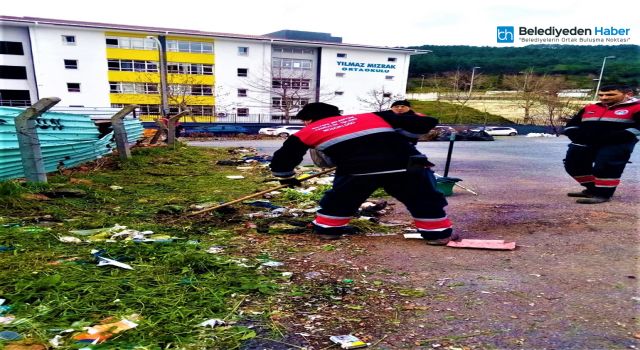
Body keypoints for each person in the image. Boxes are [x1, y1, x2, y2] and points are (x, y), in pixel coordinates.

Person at [269, 102, 453, 244]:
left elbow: (283, 159)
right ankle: (437, 235)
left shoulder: (307, 132)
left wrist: (287, 178)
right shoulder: (371, 116)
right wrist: (405, 139)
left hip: (357, 170)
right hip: (406, 164)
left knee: (341, 199)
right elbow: (426, 122)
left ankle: (327, 230)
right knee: (423, 198)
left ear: (308, 119)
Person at [563, 84, 639, 204]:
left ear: (628, 94)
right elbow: (572, 124)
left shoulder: (637, 107)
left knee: (605, 166)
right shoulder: (590, 107)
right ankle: (593, 189)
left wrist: (621, 136)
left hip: (616, 144)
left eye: (610, 94)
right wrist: (575, 135)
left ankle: (603, 194)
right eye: (601, 95)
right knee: (573, 165)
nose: (604, 97)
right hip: (585, 142)